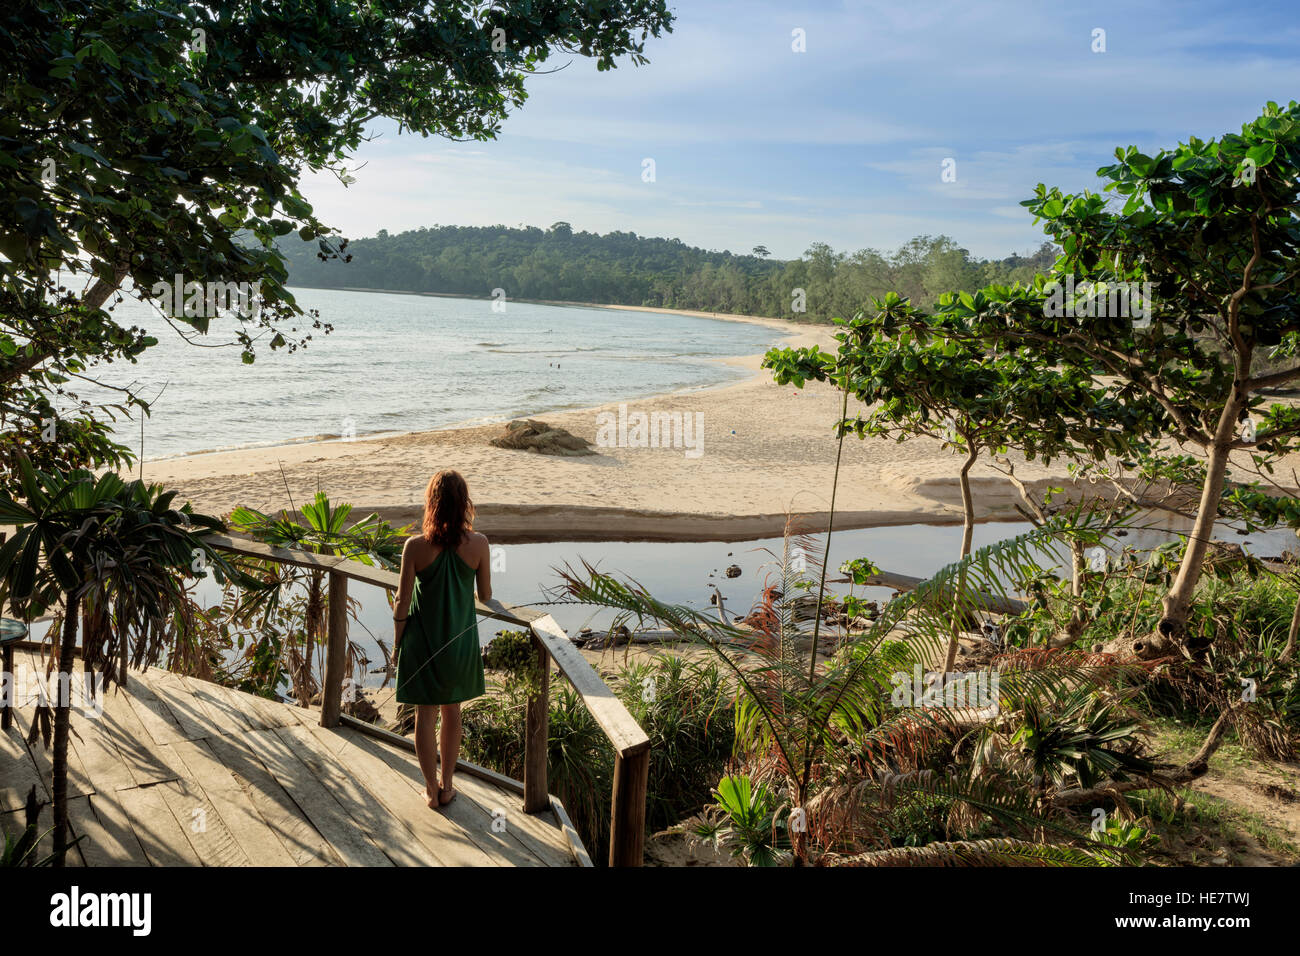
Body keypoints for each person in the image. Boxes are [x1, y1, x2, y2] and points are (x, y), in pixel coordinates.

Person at [393, 469, 491, 809]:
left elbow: (402, 603)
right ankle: (448, 786)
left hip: (422, 642)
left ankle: (430, 789)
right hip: (460, 641)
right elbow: (486, 594)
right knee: (453, 712)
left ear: (431, 503)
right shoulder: (479, 544)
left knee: (425, 714)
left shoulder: (415, 547)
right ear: (464, 503)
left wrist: (396, 644)